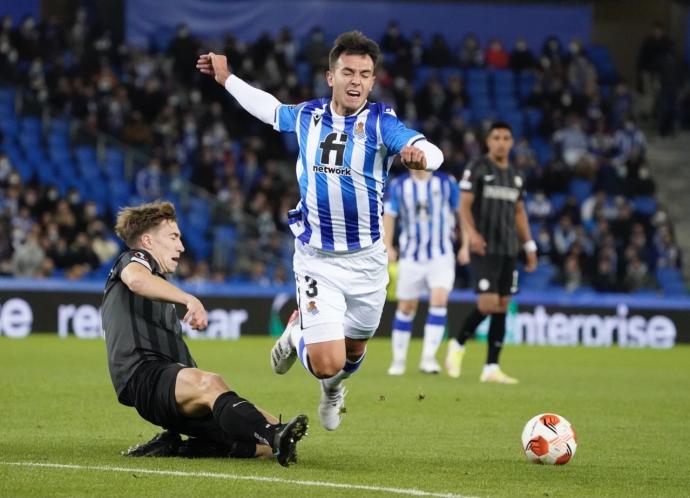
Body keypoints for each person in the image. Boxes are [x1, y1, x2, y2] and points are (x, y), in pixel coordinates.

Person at [196, 31, 443, 430]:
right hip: (317, 258)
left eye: (365, 73)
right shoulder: (309, 116)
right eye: (348, 71)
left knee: (352, 353)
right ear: (331, 76)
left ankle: (332, 391)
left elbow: (431, 150)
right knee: (326, 362)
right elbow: (270, 110)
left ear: (373, 80)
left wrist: (421, 155)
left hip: (367, 261)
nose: (356, 80)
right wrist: (227, 78)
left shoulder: (382, 123)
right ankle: (297, 335)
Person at [101, 201, 308, 466]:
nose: (181, 246)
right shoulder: (131, 260)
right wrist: (190, 299)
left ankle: (180, 446)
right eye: (173, 237)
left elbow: (182, 368)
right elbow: (138, 280)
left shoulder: (161, 291)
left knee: (261, 435)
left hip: (169, 387)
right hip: (143, 376)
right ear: (148, 241)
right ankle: (274, 435)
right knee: (219, 389)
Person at [445, 122, 537, 383]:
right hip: (484, 247)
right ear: (488, 141)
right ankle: (458, 343)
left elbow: (519, 212)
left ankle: (491, 368)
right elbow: (463, 206)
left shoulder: (516, 175)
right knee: (487, 303)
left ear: (512, 142)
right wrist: (472, 234)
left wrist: (529, 245)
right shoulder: (478, 168)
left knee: (503, 305)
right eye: (496, 137)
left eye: (506, 138)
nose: (501, 142)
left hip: (509, 248)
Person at [383, 169, 468, 375]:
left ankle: (428, 359)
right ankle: (399, 360)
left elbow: (461, 213)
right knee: (406, 307)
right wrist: (388, 245)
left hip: (441, 254)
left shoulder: (447, 182)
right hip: (411, 256)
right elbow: (389, 215)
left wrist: (464, 245)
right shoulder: (399, 185)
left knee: (439, 300)